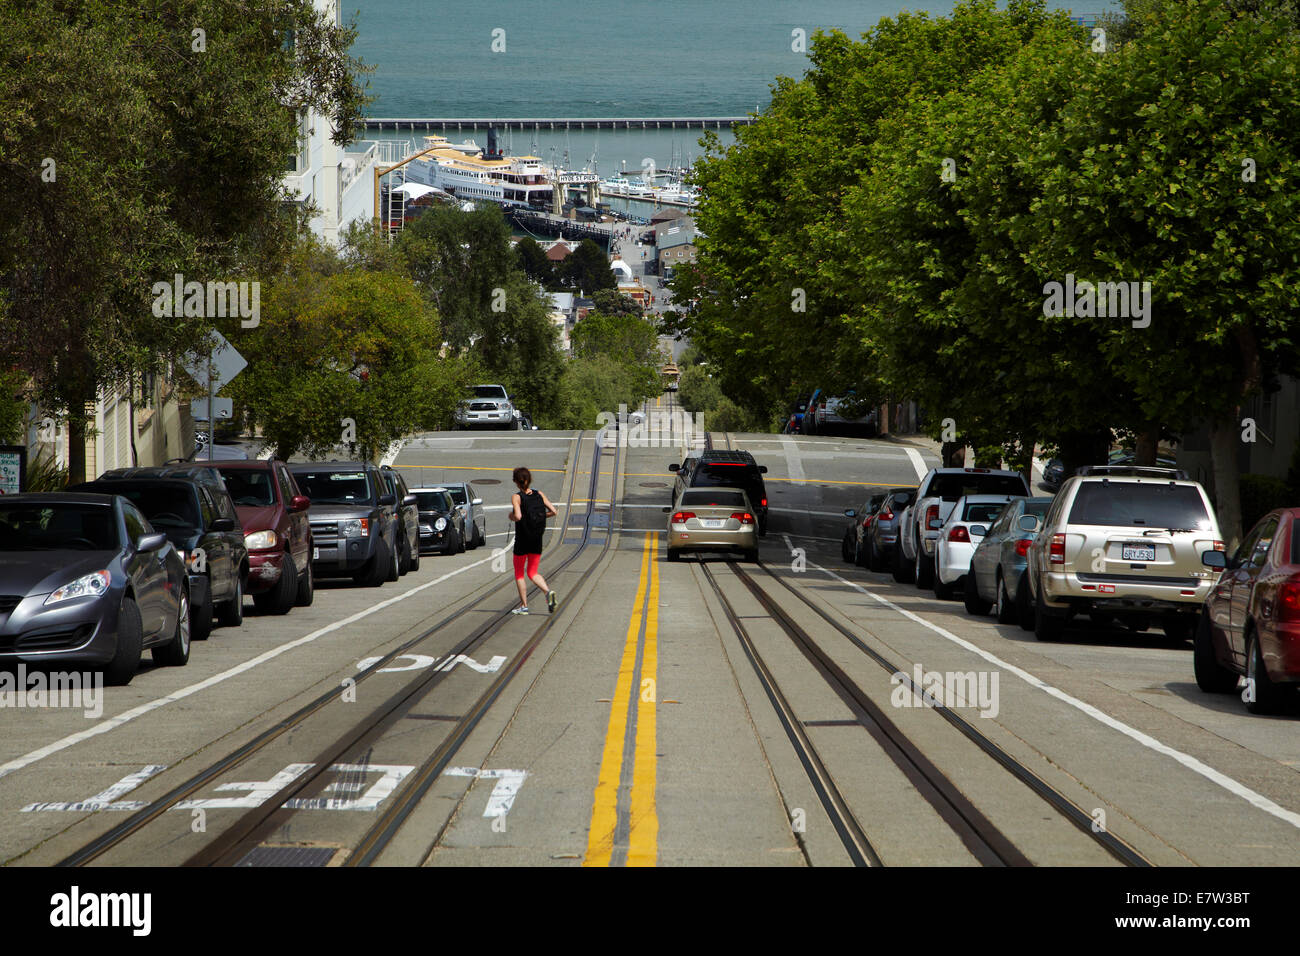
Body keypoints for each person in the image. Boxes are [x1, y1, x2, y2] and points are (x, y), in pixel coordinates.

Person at [509, 466, 558, 614]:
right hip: (537, 539)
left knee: (519, 573)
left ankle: (524, 606)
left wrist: (511, 516)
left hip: (523, 540)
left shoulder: (517, 497)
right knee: (532, 572)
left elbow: (518, 516)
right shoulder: (539, 494)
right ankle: (547, 591)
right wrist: (541, 516)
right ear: (529, 480)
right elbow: (554, 511)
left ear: (516, 482)